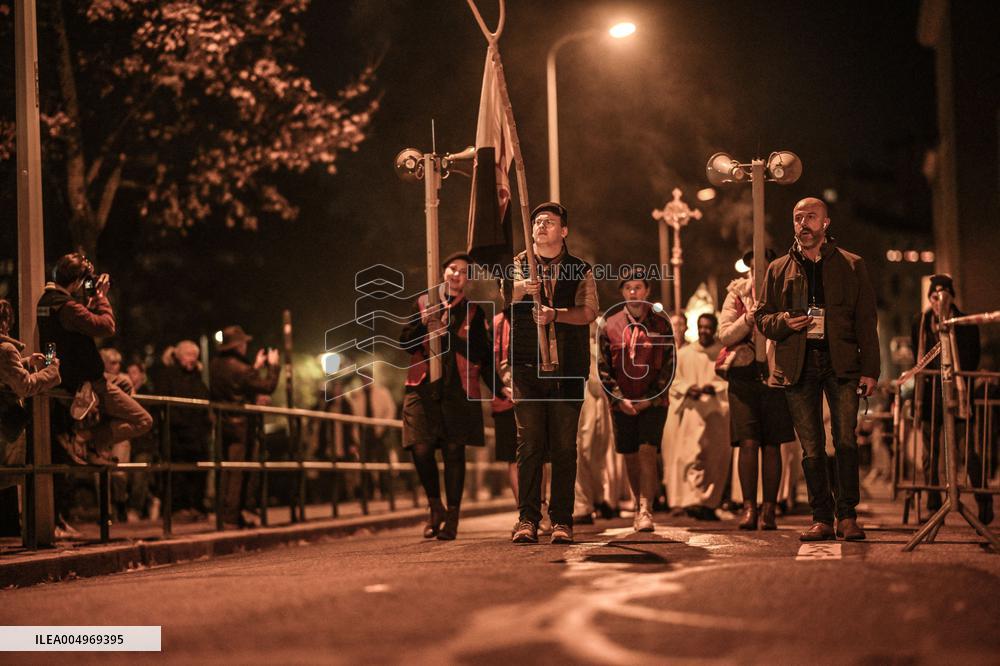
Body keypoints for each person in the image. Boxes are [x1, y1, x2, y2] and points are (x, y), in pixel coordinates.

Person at [755, 197, 880, 541]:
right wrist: (785, 321)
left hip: (842, 364)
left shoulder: (852, 265)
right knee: (811, 446)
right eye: (798, 218)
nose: (803, 223)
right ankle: (821, 517)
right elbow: (762, 317)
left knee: (845, 440)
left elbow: (867, 322)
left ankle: (848, 516)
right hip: (799, 364)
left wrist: (870, 370)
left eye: (811, 217)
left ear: (826, 223)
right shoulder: (778, 268)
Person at [509, 202, 599, 544]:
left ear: (563, 231)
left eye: (549, 222)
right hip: (526, 368)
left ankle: (562, 520)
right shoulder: (518, 265)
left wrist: (555, 314)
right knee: (529, 444)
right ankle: (527, 519)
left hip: (568, 370)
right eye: (537, 221)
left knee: (563, 446)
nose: (541, 225)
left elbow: (589, 311)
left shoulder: (581, 269)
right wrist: (522, 290)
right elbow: (504, 295)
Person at [399, 252, 497, 540]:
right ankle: (435, 506)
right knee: (420, 447)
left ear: (468, 280)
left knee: (454, 451)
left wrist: (451, 337)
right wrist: (423, 324)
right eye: (453, 269)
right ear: (442, 272)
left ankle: (453, 516)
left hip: (458, 388)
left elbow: (481, 352)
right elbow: (404, 342)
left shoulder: (475, 312)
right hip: (422, 386)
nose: (457, 275)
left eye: (464, 272)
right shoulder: (422, 304)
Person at [37, 253, 152, 465]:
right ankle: (85, 437)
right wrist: (100, 296)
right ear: (77, 281)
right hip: (86, 380)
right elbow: (107, 327)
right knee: (144, 421)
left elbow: (65, 336)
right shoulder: (68, 308)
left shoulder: (49, 302)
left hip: (75, 374)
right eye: (85, 281)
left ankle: (95, 448)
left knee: (125, 382)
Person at [719, 250, 796, 530]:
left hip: (774, 374)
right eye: (753, 268)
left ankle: (770, 509)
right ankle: (749, 507)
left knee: (772, 443)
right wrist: (749, 319)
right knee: (748, 441)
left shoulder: (784, 292)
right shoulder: (736, 294)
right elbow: (725, 334)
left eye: (762, 268)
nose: (757, 273)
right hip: (743, 375)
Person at [911, 274, 992, 525]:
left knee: (966, 451)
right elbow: (919, 355)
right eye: (935, 296)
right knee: (930, 454)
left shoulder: (965, 322)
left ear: (952, 296)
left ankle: (984, 502)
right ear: (930, 298)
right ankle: (933, 505)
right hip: (931, 396)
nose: (939, 301)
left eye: (944, 295)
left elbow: (972, 358)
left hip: (958, 395)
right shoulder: (921, 322)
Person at [598, 276, 675, 532]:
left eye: (638, 287)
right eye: (628, 288)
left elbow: (669, 365)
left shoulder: (661, 323)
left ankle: (646, 509)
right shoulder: (609, 325)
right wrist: (619, 398)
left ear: (647, 290)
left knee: (647, 451)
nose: (633, 292)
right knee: (630, 455)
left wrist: (651, 398)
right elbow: (603, 366)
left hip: (653, 401)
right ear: (622, 293)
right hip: (622, 402)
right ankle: (636, 502)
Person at [0, 299, 61, 533]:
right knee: (13, 474)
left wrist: (24, 362)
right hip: (7, 421)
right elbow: (24, 386)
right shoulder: (5, 349)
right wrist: (50, 371)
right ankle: (29, 531)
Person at [209, 325, 280, 527]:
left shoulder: (215, 364)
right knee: (239, 470)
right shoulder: (241, 368)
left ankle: (224, 514)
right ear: (239, 345)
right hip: (241, 424)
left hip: (223, 422)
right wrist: (273, 366)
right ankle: (232, 516)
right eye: (244, 344)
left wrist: (255, 367)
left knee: (224, 469)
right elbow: (268, 386)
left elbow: (241, 383)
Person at [663, 313, 730, 519]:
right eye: (701, 327)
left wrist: (716, 388)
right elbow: (672, 380)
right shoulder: (684, 354)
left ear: (715, 328)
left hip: (716, 413)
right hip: (692, 413)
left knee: (715, 460)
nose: (704, 331)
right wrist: (687, 388)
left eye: (708, 327)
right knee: (691, 457)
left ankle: (709, 503)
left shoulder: (723, 353)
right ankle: (692, 500)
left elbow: (731, 381)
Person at [157, 340, 212, 519]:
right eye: (189, 355)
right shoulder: (168, 375)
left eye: (195, 356)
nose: (192, 360)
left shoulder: (197, 377)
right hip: (177, 434)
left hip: (197, 433)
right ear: (179, 356)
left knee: (198, 472)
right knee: (178, 472)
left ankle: (196, 505)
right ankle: (178, 508)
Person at [573, 320, 615, 525]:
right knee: (579, 452)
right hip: (580, 404)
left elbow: (601, 383)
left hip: (598, 406)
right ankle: (582, 503)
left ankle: (598, 497)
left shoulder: (602, 351)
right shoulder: (581, 348)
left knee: (596, 453)